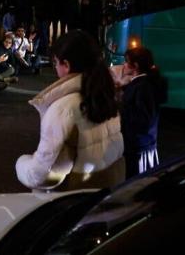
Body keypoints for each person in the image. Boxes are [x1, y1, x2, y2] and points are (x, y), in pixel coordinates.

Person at [16, 30, 124, 191]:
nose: (55, 68)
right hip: (108, 187)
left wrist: (22, 163)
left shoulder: (64, 107)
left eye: (56, 63)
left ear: (66, 64)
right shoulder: (105, 94)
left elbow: (45, 174)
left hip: (75, 197)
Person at [120, 47, 167, 178]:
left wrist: (121, 108)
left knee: (136, 184)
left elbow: (143, 120)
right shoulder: (146, 83)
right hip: (144, 145)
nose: (124, 65)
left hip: (138, 148)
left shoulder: (142, 87)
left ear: (135, 66)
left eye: (126, 62)